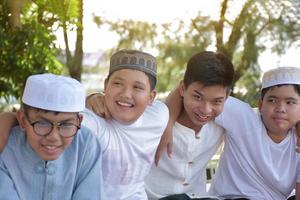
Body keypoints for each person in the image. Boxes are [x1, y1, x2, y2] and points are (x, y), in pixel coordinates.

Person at [162, 67, 300, 200]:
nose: (280, 109)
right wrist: (167, 125)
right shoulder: (244, 117)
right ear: (260, 103)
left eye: (290, 102)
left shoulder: (297, 138)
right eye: (272, 100)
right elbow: (183, 90)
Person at [143, 51, 234, 200]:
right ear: (183, 89)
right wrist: (95, 98)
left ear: (227, 96)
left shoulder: (224, 120)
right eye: (197, 97)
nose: (206, 109)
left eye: (217, 101)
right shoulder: (155, 118)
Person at [82, 49, 169, 199]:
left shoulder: (159, 115)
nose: (126, 94)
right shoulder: (91, 123)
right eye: (117, 83)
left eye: (138, 87)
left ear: (151, 96)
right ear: (106, 85)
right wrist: (87, 99)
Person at [0, 73, 103, 199]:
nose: (54, 136)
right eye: (42, 123)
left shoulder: (87, 144)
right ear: (22, 120)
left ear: (79, 121)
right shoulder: (5, 146)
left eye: (66, 124)